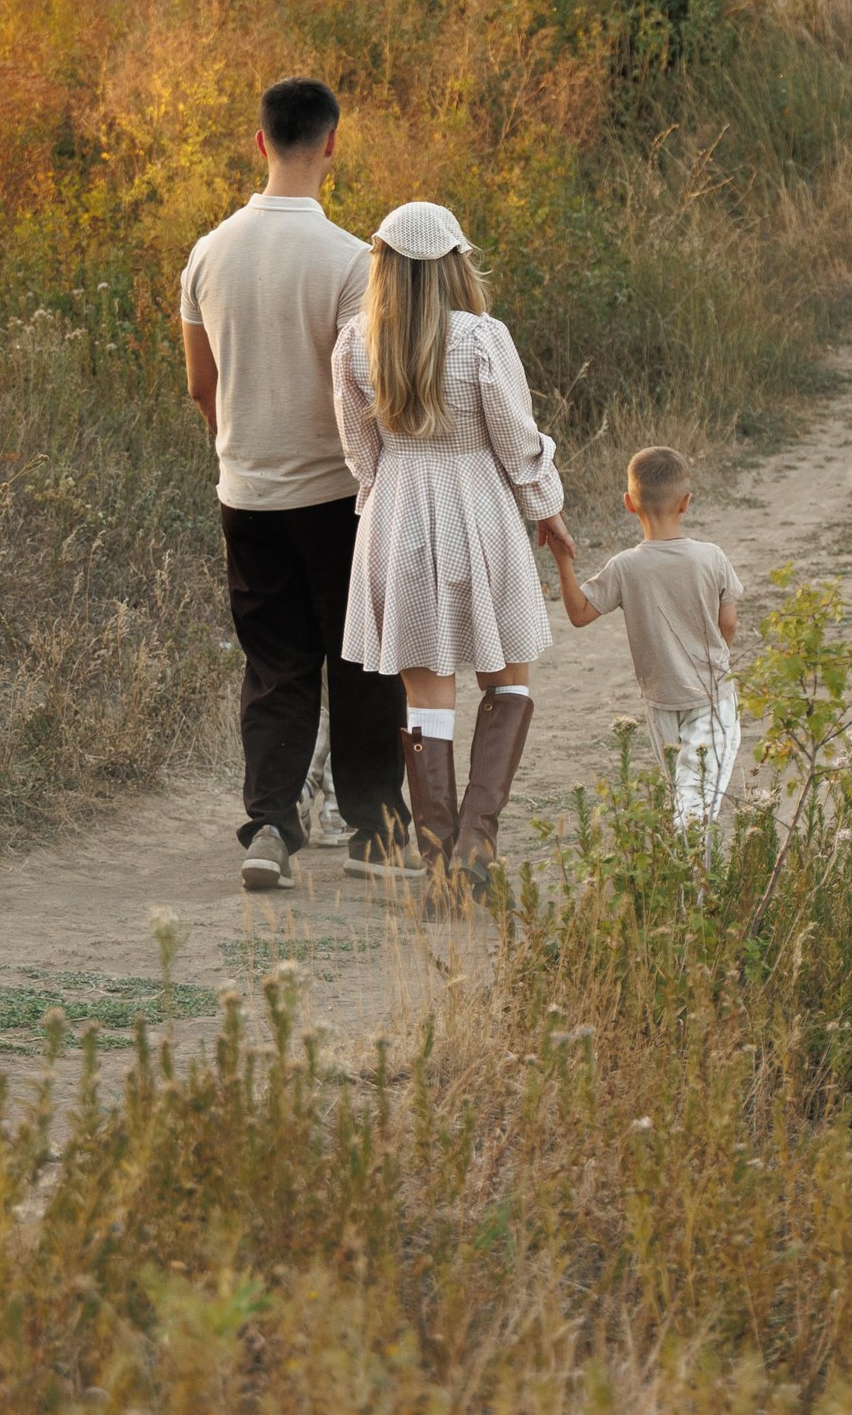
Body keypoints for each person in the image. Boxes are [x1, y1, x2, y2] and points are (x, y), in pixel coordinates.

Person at [180, 77, 411, 895]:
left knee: (273, 661)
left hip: (243, 490)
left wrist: (241, 454)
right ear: (332, 144)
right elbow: (365, 392)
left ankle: (271, 823)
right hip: (336, 496)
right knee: (361, 661)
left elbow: (200, 387)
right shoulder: (352, 261)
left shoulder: (208, 252)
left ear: (259, 140)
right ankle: (375, 831)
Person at [331, 201, 569, 896]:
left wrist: (390, 508)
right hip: (481, 511)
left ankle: (438, 858)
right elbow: (517, 443)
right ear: (453, 264)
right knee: (508, 678)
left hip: (394, 513)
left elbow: (360, 455)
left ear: (382, 265)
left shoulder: (355, 341)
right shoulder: (480, 339)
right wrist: (547, 513)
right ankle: (476, 841)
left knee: (426, 695)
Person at [549, 445, 744, 844]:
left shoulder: (625, 566)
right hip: (711, 694)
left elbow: (580, 613)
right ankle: (694, 886)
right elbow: (728, 624)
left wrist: (562, 561)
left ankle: (679, 880)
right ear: (686, 502)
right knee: (696, 801)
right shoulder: (711, 558)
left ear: (628, 504)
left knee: (683, 791)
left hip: (659, 701)